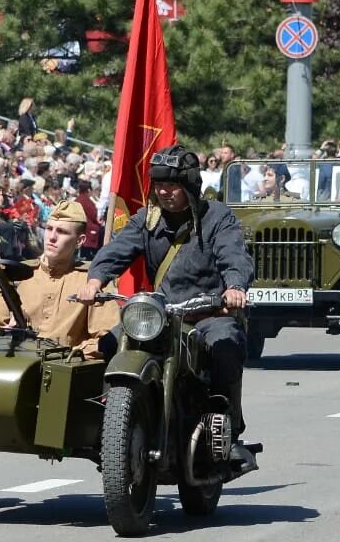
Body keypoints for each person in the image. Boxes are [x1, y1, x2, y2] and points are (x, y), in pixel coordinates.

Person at [81, 144, 255, 443]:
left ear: (189, 185)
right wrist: (96, 280)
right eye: (159, 185)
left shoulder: (216, 217)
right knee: (108, 345)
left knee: (225, 347)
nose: (164, 192)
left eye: (172, 185)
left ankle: (226, 424)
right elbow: (117, 250)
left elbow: (234, 255)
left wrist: (235, 287)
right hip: (161, 315)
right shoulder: (147, 219)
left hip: (208, 313)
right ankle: (112, 426)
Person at [0, 200, 120, 357]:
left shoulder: (92, 281)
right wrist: (5, 333)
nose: (52, 237)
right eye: (49, 229)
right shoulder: (17, 274)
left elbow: (105, 338)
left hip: (64, 372)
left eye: (62, 232)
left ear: (79, 241)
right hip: (17, 365)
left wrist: (71, 354)